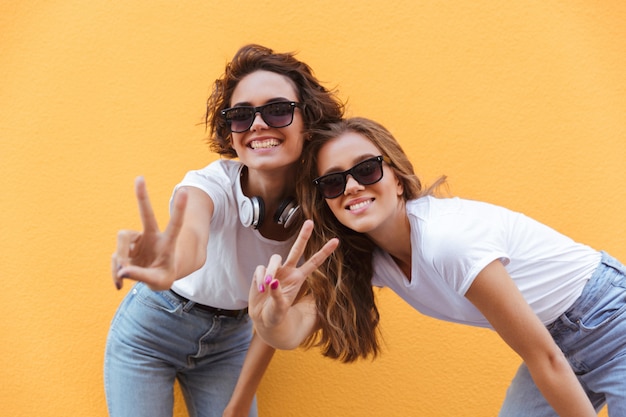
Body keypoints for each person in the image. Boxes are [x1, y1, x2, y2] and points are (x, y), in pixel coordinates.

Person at [248, 117, 626, 416]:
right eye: (333, 181)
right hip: (554, 339)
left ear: (397, 178)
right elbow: (292, 332)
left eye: (366, 169)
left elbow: (544, 358)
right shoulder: (369, 259)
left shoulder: (446, 241)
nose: (350, 186)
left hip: (611, 320)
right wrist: (269, 321)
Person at [104, 44, 344, 417]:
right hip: (152, 331)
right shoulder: (208, 185)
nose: (258, 125)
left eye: (278, 110)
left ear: (307, 121)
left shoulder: (319, 211)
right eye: (241, 115)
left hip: (231, 342)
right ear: (230, 132)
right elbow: (192, 241)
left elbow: (271, 321)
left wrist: (238, 403)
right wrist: (169, 264)